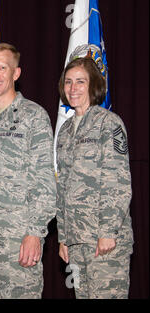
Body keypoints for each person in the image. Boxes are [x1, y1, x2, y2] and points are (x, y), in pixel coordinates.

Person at [0, 43, 56, 299]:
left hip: (18, 240)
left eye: (2, 68)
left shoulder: (33, 116)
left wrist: (34, 233)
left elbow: (45, 181)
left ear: (15, 73)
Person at [56, 47, 133, 299]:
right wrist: (63, 236)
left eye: (80, 81)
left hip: (105, 242)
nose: (73, 88)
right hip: (76, 242)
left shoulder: (108, 123)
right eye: (68, 82)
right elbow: (62, 186)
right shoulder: (66, 130)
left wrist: (108, 232)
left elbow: (118, 182)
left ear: (94, 86)